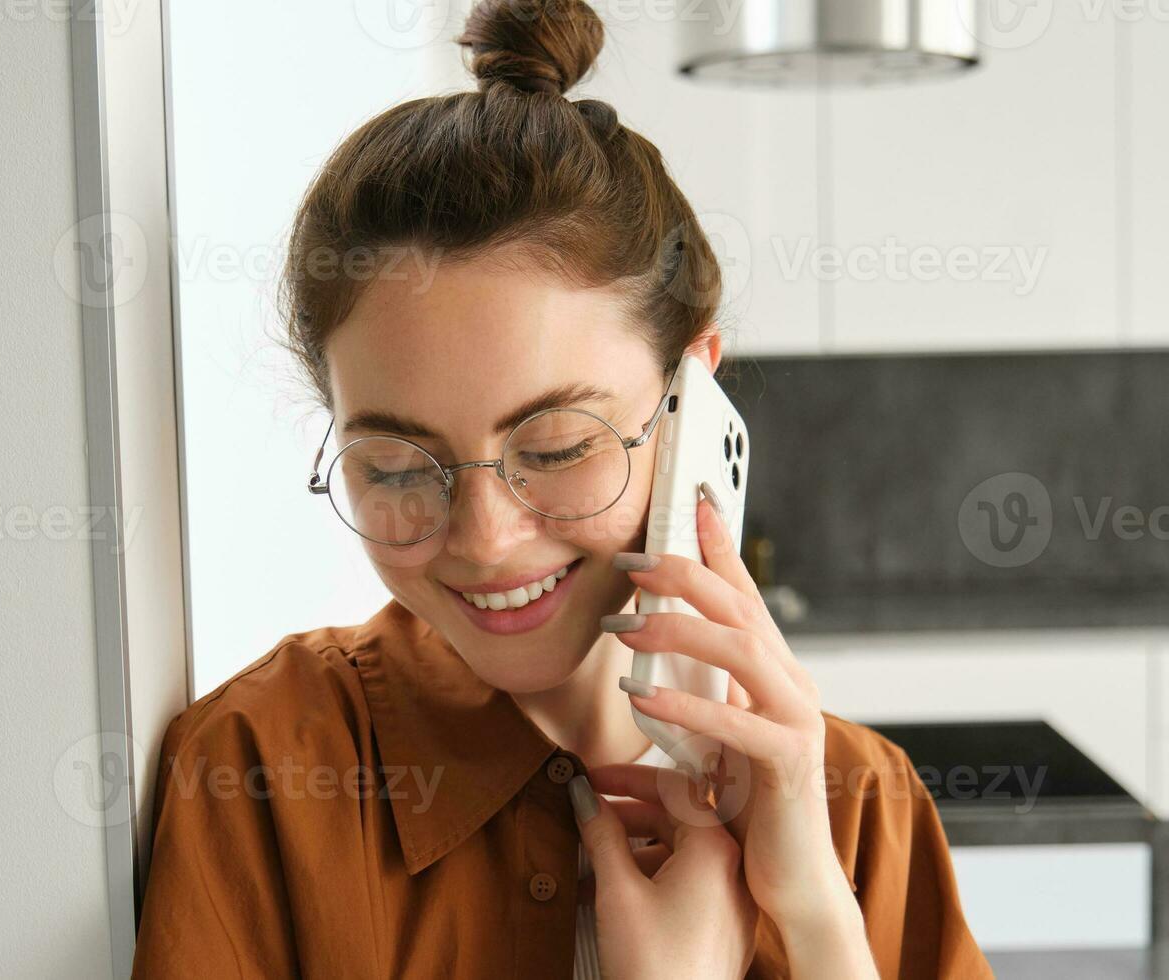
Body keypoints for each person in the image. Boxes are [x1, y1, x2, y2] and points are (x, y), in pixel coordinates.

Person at [132, 1, 992, 976]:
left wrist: (818, 918)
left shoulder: (856, 802)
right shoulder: (258, 773)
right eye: (400, 466)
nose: (486, 538)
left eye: (552, 447)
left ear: (690, 392)